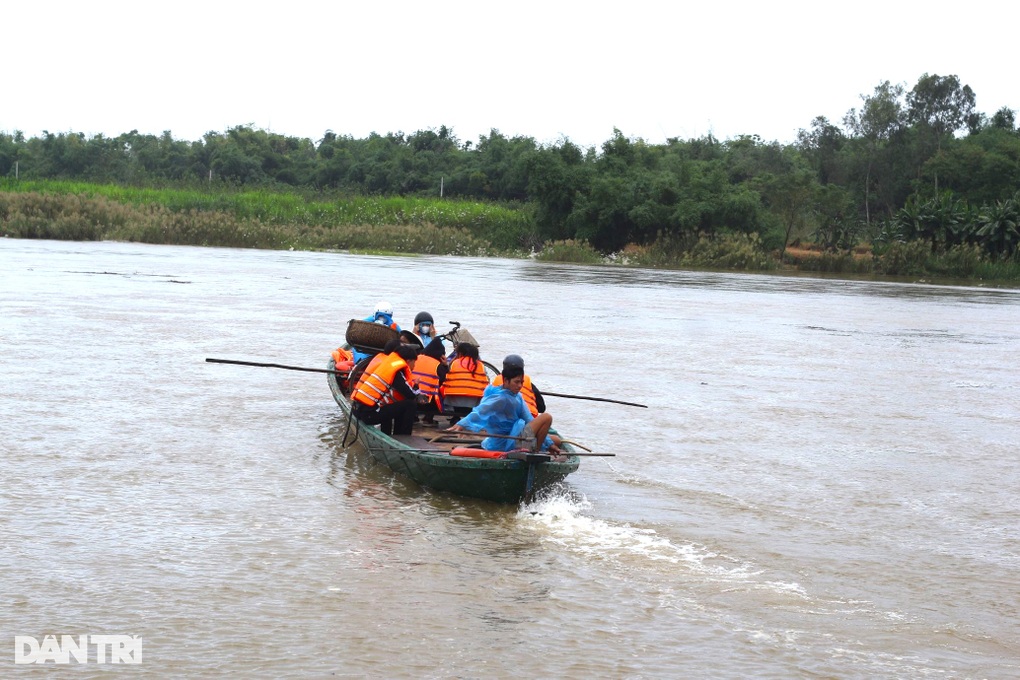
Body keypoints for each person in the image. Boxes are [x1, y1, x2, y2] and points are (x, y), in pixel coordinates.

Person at [446, 361, 563, 454]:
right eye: (516, 382)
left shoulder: (517, 396)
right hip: (508, 441)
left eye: (521, 382)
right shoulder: (501, 398)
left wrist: (549, 444)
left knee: (556, 441)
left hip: (516, 436)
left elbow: (529, 419)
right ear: (506, 381)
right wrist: (462, 424)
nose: (520, 386)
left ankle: (536, 448)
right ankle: (534, 453)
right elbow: (481, 410)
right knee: (546, 417)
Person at [350, 343, 419, 436]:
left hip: (359, 409)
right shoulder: (396, 371)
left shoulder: (388, 367)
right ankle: (404, 437)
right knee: (410, 404)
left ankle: (391, 434)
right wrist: (417, 388)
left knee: (396, 405)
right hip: (368, 414)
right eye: (414, 362)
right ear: (408, 361)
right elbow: (410, 394)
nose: (414, 366)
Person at [411, 338, 448, 424]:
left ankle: (414, 417)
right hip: (427, 403)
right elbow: (444, 380)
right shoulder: (438, 365)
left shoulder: (416, 358)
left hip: (412, 399)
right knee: (438, 391)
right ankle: (428, 419)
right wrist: (445, 366)